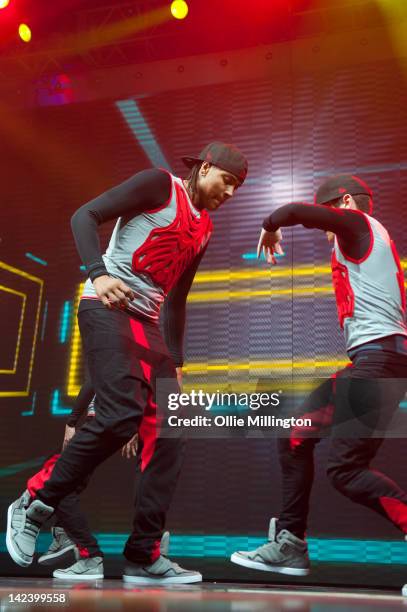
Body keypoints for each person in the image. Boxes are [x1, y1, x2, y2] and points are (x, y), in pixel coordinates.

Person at [7, 142, 248, 584]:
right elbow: (85, 215)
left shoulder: (205, 228)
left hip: (150, 326)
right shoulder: (159, 185)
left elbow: (177, 301)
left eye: (238, 187)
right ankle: (33, 501)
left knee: (171, 436)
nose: (230, 192)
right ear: (206, 168)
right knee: (120, 418)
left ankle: (144, 555)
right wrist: (98, 273)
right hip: (107, 307)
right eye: (227, 180)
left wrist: (176, 362)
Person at [231, 174, 407, 576]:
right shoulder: (367, 237)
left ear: (345, 203)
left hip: (380, 362)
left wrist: (271, 225)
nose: (330, 236)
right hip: (371, 361)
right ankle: (291, 543)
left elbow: (294, 212)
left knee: (346, 470)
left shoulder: (358, 223)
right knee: (294, 434)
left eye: (332, 218)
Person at [11, 380, 137, 580]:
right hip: (112, 422)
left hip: (104, 421)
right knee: (68, 480)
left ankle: (28, 508)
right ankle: (66, 534)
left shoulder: (127, 353)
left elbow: (95, 378)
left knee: (60, 476)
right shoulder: (143, 356)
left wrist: (71, 421)